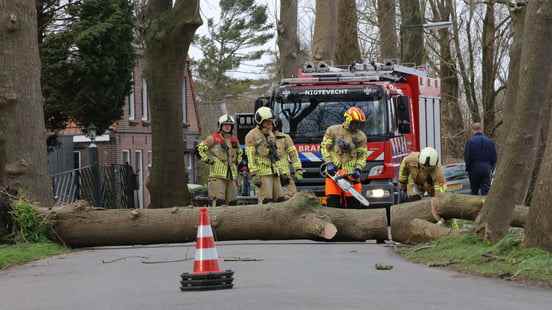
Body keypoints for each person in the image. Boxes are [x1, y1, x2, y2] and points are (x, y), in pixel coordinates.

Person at [321, 106, 368, 208]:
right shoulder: (332, 130)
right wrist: (329, 163)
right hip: (333, 173)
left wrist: (358, 168)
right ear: (348, 120)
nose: (357, 125)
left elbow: (362, 155)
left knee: (354, 204)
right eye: (355, 122)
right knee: (333, 203)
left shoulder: (361, 136)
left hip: (351, 174)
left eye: (359, 123)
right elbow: (324, 148)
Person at [196, 114, 242, 206]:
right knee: (218, 202)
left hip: (232, 176)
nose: (228, 127)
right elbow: (199, 149)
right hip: (217, 175)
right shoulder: (213, 138)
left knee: (232, 202)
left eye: (230, 125)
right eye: (225, 125)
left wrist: (237, 161)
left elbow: (240, 153)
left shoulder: (234, 140)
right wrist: (209, 160)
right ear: (220, 126)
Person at [245, 107, 283, 204]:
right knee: (267, 201)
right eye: (267, 122)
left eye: (271, 122)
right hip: (262, 174)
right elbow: (250, 156)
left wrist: (282, 172)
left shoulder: (272, 135)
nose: (270, 125)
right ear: (260, 122)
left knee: (280, 200)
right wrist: (254, 174)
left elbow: (276, 156)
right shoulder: (252, 135)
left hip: (275, 172)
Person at [273, 117, 303, 199]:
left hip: (285, 177)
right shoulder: (261, 139)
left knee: (292, 198)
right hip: (269, 176)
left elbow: (294, 155)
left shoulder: (285, 138)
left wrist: (298, 170)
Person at [464, 122, 496, 195]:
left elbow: (467, 157)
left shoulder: (470, 142)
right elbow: (494, 158)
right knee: (486, 191)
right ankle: (485, 206)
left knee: (474, 190)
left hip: (474, 169)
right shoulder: (490, 142)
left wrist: (467, 168)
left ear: (473, 130)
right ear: (481, 129)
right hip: (486, 169)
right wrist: (491, 168)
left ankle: (474, 205)